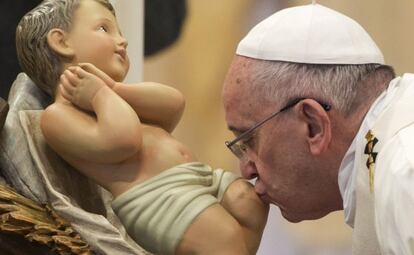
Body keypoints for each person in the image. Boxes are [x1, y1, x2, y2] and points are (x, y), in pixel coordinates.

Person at [15, 0, 269, 254]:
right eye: (104, 29)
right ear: (61, 41)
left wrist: (113, 90)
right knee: (223, 240)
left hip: (195, 177)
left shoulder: (115, 96)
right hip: (158, 198)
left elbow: (173, 105)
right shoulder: (58, 115)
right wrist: (100, 95)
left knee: (247, 202)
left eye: (120, 32)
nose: (122, 41)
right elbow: (124, 140)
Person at [222, 3, 414, 255]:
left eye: (249, 139)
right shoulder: (385, 155)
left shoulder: (404, 170)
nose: (246, 170)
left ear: (313, 126)